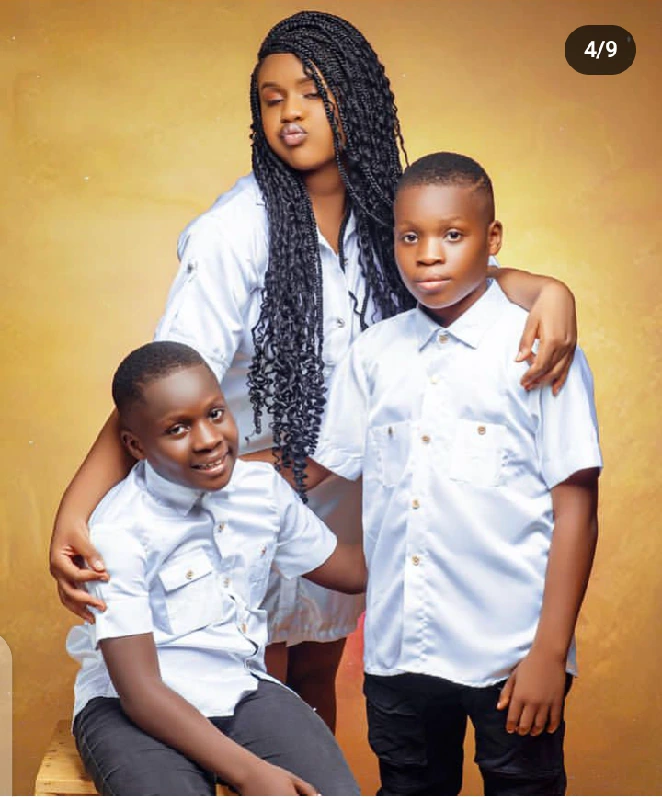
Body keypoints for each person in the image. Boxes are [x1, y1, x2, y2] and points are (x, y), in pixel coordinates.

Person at [51, 11, 579, 731]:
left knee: (316, 676)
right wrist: (75, 512)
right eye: (271, 100)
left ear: (355, 97)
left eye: (310, 92)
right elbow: (158, 386)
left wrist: (549, 290)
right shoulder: (235, 231)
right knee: (249, 682)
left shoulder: (386, 213)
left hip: (338, 501)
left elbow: (458, 272)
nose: (289, 114)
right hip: (236, 493)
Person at [304, 152, 602, 795]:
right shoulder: (374, 354)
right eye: (410, 237)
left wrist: (550, 653)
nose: (428, 255)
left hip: (512, 657)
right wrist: (187, 466)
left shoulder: (539, 347)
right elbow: (319, 468)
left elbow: (576, 508)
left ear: (492, 239)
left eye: (453, 235)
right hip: (398, 654)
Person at [66, 340, 363, 796]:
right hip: (131, 705)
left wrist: (440, 540)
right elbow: (140, 691)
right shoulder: (117, 531)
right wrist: (251, 774)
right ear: (136, 446)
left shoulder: (261, 490)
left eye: (215, 414)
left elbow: (348, 570)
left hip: (239, 686)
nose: (208, 439)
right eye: (177, 428)